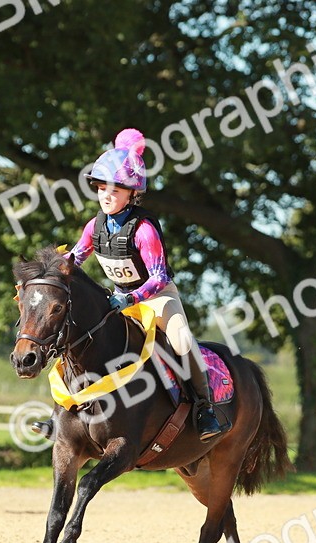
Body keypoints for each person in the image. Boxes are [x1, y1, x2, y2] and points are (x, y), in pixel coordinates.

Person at [68, 128, 228, 441]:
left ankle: (205, 408)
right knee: (72, 334)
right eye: (102, 189)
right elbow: (75, 259)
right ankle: (63, 412)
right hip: (118, 300)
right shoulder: (93, 226)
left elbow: (160, 276)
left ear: (132, 194)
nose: (106, 196)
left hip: (156, 299)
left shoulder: (143, 229)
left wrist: (132, 299)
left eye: (114, 190)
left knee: (182, 341)